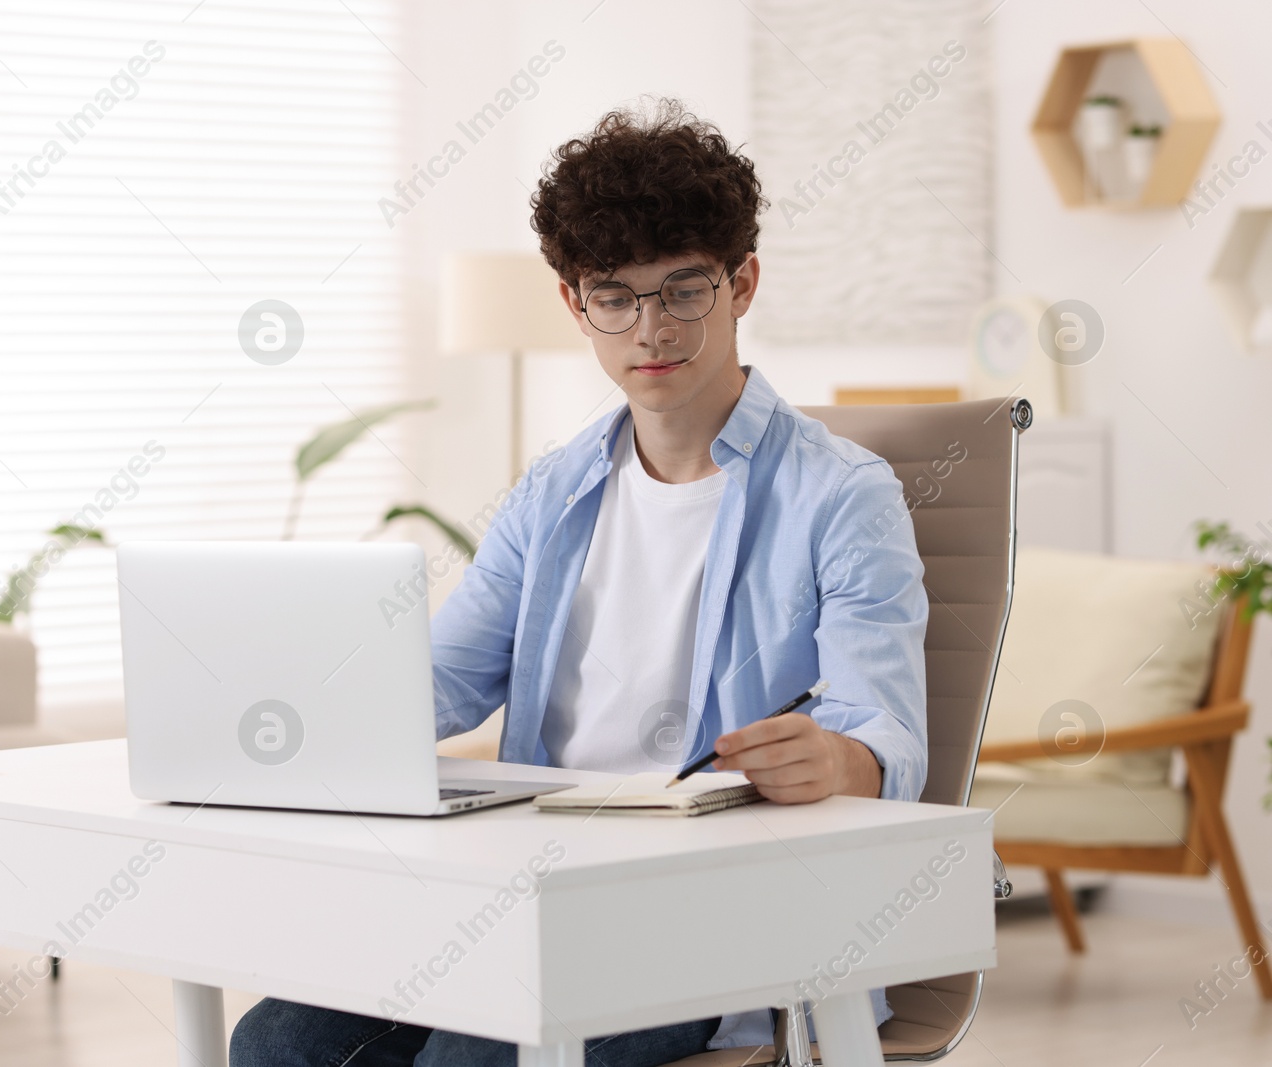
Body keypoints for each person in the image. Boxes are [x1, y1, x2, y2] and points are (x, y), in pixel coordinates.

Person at [232, 97, 928, 1067]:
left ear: (743, 283)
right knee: (276, 1041)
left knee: (470, 1060)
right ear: (574, 302)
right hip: (528, 895)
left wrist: (840, 760)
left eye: (685, 290)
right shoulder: (550, 494)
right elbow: (438, 679)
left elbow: (885, 729)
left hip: (705, 921)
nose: (651, 328)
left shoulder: (842, 495)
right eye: (615, 295)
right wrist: (295, 706)